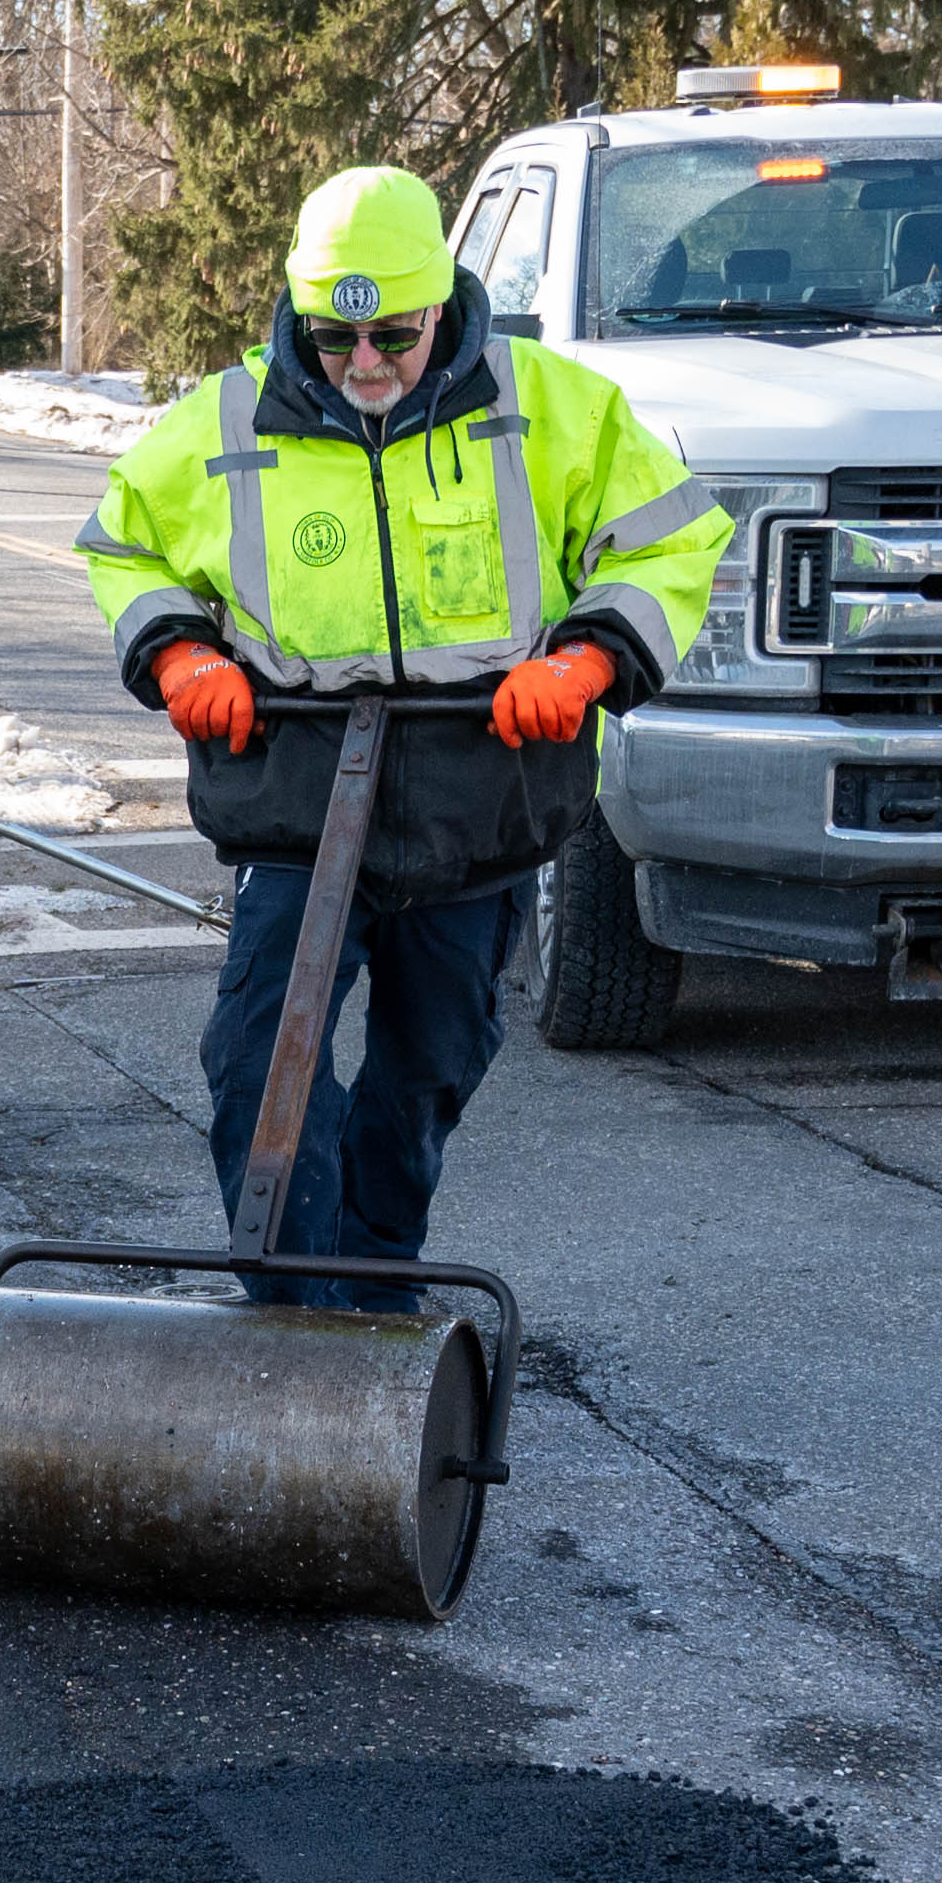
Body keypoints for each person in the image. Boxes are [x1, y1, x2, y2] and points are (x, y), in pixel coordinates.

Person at [71, 164, 729, 1306]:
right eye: (335, 338)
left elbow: (669, 538)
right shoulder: (226, 422)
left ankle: (375, 1286)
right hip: (294, 801)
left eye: (394, 337)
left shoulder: (551, 407)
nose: (365, 364)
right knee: (256, 1065)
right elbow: (125, 545)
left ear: (444, 303)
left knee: (429, 1068)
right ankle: (294, 1303)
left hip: (477, 804)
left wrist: (586, 659)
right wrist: (181, 653)